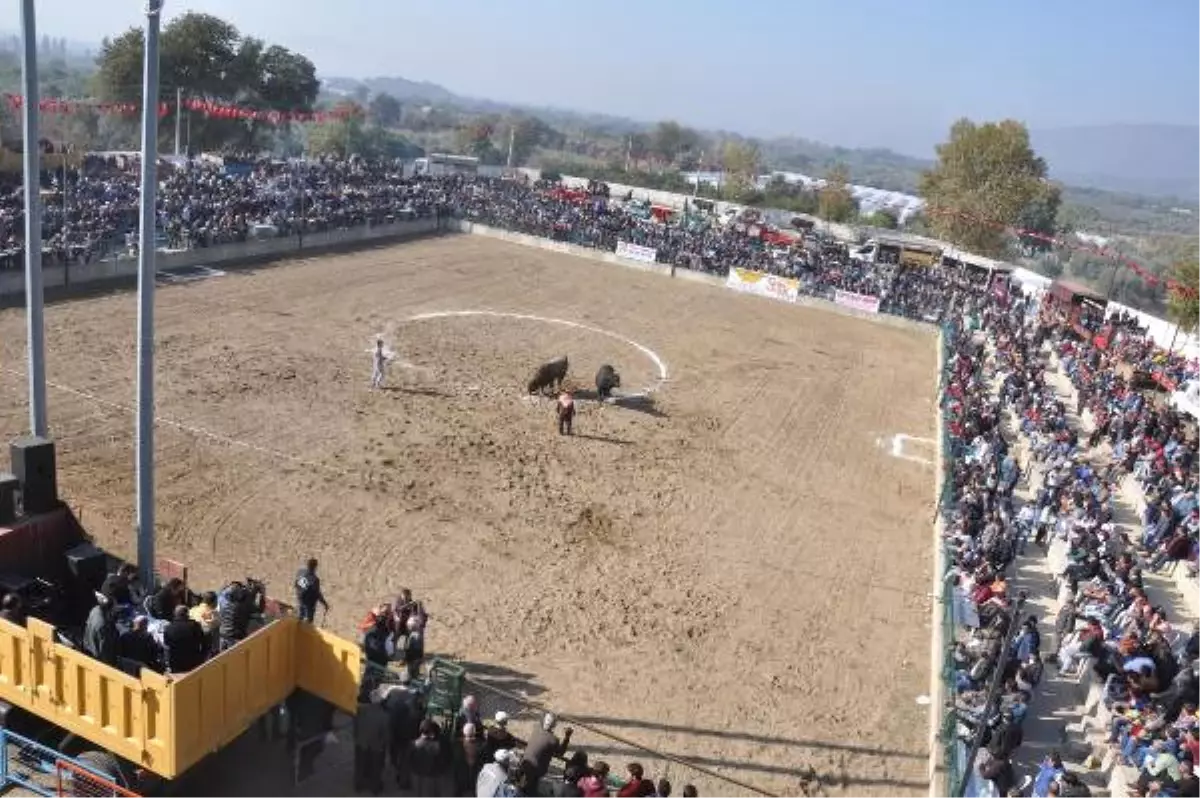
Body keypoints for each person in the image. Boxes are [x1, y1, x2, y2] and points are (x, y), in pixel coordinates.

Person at [354, 687, 390, 794]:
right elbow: (386, 735)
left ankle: (359, 785)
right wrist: (385, 744)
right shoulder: (384, 716)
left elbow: (356, 725)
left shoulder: (361, 711)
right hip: (376, 746)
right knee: (376, 768)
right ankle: (375, 788)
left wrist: (356, 737)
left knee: (360, 765)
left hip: (361, 743)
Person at [523, 713, 573, 789]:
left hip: (525, 762)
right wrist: (567, 737)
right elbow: (560, 753)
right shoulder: (553, 740)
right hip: (537, 770)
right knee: (530, 787)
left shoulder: (536, 729)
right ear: (554, 726)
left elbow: (541, 718)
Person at [410, 718, 450, 798]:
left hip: (418, 776)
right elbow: (446, 761)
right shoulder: (438, 745)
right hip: (434, 777)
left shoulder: (414, 744)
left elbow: (410, 762)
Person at [163, 604, 208, 674]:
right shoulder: (195, 625)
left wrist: (169, 664)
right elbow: (204, 643)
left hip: (176, 664)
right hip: (194, 663)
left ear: (175, 614)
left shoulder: (168, 628)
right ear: (187, 614)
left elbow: (167, 647)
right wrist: (202, 657)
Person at [83, 595, 118, 666]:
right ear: (110, 609)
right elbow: (103, 649)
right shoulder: (103, 625)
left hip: (88, 649)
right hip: (97, 658)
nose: (116, 609)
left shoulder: (95, 610)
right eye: (115, 607)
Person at [295, 558, 329, 623]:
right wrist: (325, 604)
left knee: (300, 619)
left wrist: (299, 597)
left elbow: (296, 585)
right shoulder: (315, 579)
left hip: (301, 601)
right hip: (310, 605)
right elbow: (317, 593)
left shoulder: (301, 575)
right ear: (315, 567)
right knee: (308, 623)